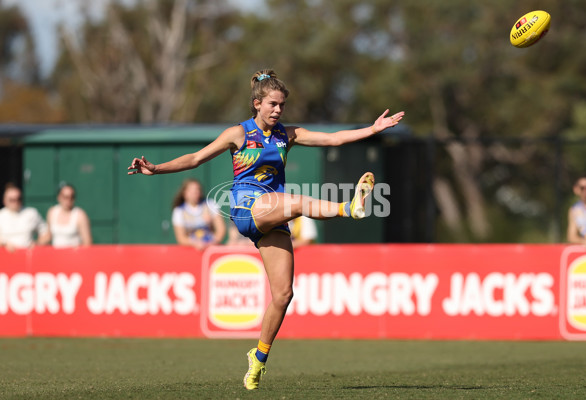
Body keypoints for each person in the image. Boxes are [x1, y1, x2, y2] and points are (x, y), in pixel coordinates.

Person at [128, 69, 404, 390]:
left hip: (273, 216)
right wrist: (156, 168)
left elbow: (334, 138)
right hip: (247, 207)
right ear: (257, 103)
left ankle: (258, 357)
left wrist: (372, 128)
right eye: (273, 104)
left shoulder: (289, 134)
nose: (278, 110)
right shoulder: (238, 134)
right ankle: (348, 208)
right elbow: (196, 158)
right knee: (296, 200)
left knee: (284, 294)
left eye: (282, 105)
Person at [171, 178, 226, 249]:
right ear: (185, 193)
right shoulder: (179, 211)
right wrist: (194, 243)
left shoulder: (210, 204)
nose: (196, 193)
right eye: (192, 191)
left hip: (210, 248)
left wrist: (212, 242)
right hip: (190, 250)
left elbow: (221, 230)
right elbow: (181, 238)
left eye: (198, 190)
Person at [0, 183, 50, 251]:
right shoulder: (1, 215)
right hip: (5, 258)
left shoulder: (31, 213)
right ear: (4, 200)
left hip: (27, 258)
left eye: (18, 199)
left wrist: (37, 243)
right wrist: (4, 243)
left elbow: (46, 234)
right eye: (11, 200)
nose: (15, 202)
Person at [46, 184, 93, 248]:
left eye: (72, 197)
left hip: (73, 256)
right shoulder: (52, 212)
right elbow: (49, 236)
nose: (68, 201)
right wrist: (35, 244)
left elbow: (87, 242)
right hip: (56, 256)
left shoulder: (80, 215)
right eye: (65, 197)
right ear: (59, 197)